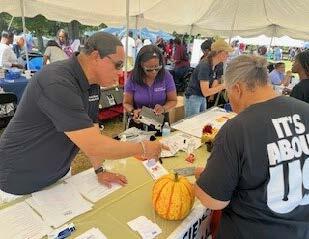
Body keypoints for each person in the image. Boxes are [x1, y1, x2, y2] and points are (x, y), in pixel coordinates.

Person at [0, 32, 164, 201]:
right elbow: (94, 145)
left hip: (57, 175)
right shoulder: (57, 81)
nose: (120, 72)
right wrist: (143, 148)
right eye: (118, 65)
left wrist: (99, 170)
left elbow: (91, 131)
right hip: (17, 180)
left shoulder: (92, 84)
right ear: (95, 57)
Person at [194, 55, 309, 239]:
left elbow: (213, 200)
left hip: (248, 231)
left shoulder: (237, 128)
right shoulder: (306, 111)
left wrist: (201, 178)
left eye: (228, 94)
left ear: (237, 89)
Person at [123, 45, 177, 131]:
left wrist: (163, 108)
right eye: (149, 69)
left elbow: (173, 100)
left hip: (160, 122)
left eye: (157, 68)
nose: (154, 72)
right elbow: (126, 103)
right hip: (138, 123)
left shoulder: (166, 76)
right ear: (141, 65)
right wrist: (133, 111)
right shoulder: (133, 78)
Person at [184, 38, 232, 117]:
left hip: (201, 97)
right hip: (194, 97)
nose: (228, 55)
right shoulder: (205, 65)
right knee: (192, 123)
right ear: (218, 52)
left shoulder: (216, 64)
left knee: (200, 120)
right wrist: (223, 85)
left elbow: (214, 82)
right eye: (226, 52)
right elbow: (206, 92)